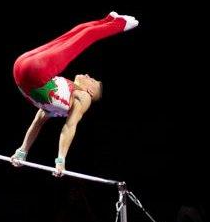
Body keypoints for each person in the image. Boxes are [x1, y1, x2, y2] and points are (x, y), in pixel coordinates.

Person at [10, 12, 139, 176]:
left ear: (90, 92)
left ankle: (120, 24)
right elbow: (37, 125)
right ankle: (107, 20)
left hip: (32, 72)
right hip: (25, 69)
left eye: (91, 79)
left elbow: (69, 126)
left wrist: (59, 160)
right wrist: (23, 152)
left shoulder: (83, 98)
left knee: (85, 37)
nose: (87, 75)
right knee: (72, 34)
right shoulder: (52, 107)